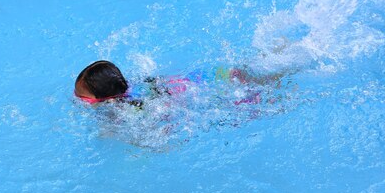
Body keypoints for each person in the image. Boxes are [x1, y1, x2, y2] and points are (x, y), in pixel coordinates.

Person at [74, 60, 283, 106]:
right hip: (207, 76)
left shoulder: (130, 109)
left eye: (82, 98)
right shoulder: (139, 85)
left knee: (271, 84)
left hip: (218, 89)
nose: (78, 101)